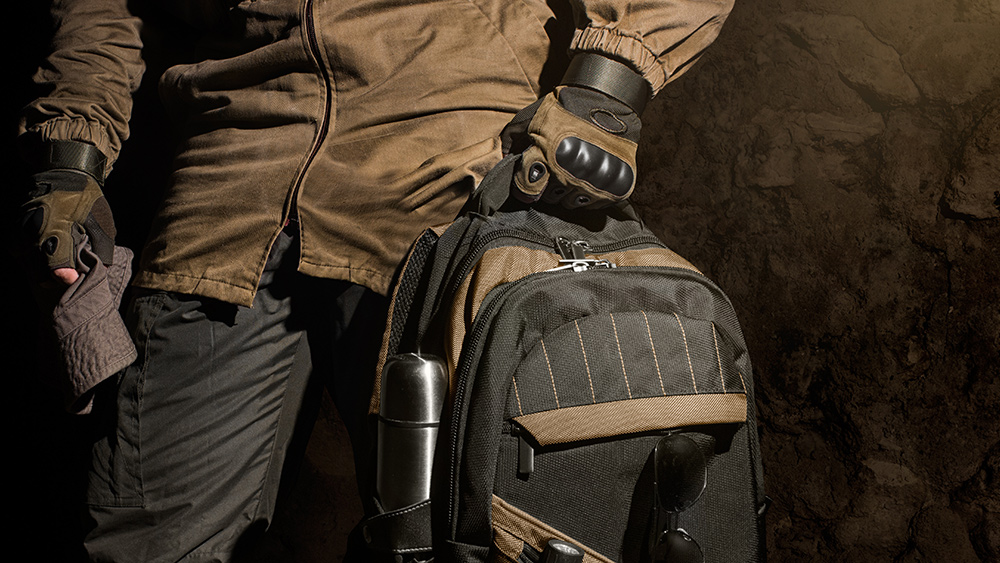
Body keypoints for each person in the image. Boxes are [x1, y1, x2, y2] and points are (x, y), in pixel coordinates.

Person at [16, 0, 735, 561]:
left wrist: (604, 89)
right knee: (153, 543)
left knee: (486, 534)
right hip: (231, 190)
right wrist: (71, 154)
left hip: (452, 174)